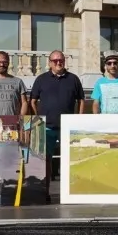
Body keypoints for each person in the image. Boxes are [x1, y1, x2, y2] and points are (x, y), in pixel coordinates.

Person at [30, 51, 85, 198]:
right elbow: (33, 101)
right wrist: (38, 118)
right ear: (49, 63)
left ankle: (72, 193)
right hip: (46, 126)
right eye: (55, 61)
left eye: (60, 60)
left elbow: (81, 100)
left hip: (68, 127)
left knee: (71, 160)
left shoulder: (73, 79)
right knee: (45, 161)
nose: (58, 63)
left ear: (64, 61)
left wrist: (78, 118)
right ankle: (45, 193)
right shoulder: (41, 79)